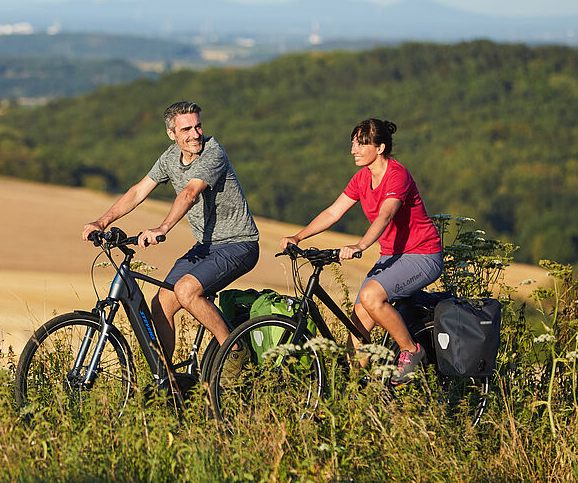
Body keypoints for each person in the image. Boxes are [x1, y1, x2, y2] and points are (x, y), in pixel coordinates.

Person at [82, 101, 260, 375]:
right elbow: (138, 191)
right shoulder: (169, 159)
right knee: (161, 302)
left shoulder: (213, 153)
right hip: (206, 247)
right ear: (172, 134)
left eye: (197, 126)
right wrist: (102, 221)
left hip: (239, 244)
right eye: (186, 129)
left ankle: (235, 351)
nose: (195, 134)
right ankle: (165, 380)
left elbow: (189, 193)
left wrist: (162, 228)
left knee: (186, 290)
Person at [279, 118, 443, 384]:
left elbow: (386, 215)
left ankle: (411, 350)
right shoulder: (361, 178)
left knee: (370, 296)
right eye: (353, 143)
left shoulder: (396, 174)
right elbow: (334, 212)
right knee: (356, 329)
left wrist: (360, 245)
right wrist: (298, 237)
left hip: (422, 255)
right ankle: (356, 394)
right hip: (393, 257)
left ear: (379, 148)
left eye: (361, 144)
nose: (353, 149)